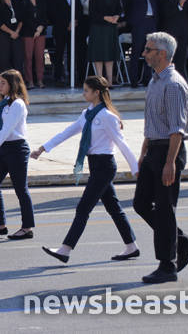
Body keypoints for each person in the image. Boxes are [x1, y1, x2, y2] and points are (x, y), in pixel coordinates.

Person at [32, 76, 140, 263]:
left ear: (96, 92)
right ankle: (131, 247)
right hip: (95, 165)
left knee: (83, 208)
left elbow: (122, 144)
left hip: (105, 166)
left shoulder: (107, 116)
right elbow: (67, 132)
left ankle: (65, 250)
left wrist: (135, 168)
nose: (83, 94)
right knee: (114, 207)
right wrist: (43, 148)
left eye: (86, 91)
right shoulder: (87, 114)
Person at [132, 32, 188, 284]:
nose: (144, 53)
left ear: (162, 54)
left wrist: (170, 162)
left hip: (168, 151)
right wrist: (143, 153)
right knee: (141, 203)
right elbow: (151, 123)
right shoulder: (154, 81)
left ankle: (167, 265)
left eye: (148, 50)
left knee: (164, 209)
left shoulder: (173, 85)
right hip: (154, 149)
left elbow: (176, 129)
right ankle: (183, 243)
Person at [0, 69, 34, 240]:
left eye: (3, 83)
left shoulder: (18, 104)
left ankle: (27, 228)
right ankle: (0, 225)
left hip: (17, 149)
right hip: (4, 148)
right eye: (0, 82)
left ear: (13, 84)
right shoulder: (3, 104)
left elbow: (7, 130)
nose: (0, 86)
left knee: (20, 188)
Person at [126, 0, 160, 87]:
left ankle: (147, 78)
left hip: (151, 20)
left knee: (151, 50)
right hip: (139, 21)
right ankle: (134, 80)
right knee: (137, 50)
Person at [88, 0, 122, 85]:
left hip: (110, 27)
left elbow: (119, 8)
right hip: (98, 27)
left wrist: (116, 16)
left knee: (109, 54)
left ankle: (110, 81)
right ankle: (100, 81)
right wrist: (105, 18)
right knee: (98, 54)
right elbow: (92, 12)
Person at [19, 0, 47, 89]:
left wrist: (41, 27)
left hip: (40, 32)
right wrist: (35, 28)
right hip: (28, 32)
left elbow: (45, 13)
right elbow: (24, 17)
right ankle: (29, 80)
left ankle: (40, 79)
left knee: (40, 57)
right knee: (28, 57)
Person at [47, 0, 74, 85]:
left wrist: (74, 21)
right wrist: (66, 23)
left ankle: (72, 74)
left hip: (73, 28)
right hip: (60, 28)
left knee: (72, 52)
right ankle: (58, 76)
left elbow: (77, 8)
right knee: (59, 52)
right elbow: (53, 13)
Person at [0, 0, 24, 74]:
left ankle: (17, 80)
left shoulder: (15, 2)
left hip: (16, 34)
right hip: (3, 35)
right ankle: (4, 80)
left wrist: (17, 31)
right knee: (5, 59)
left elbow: (21, 19)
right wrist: (11, 32)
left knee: (18, 58)